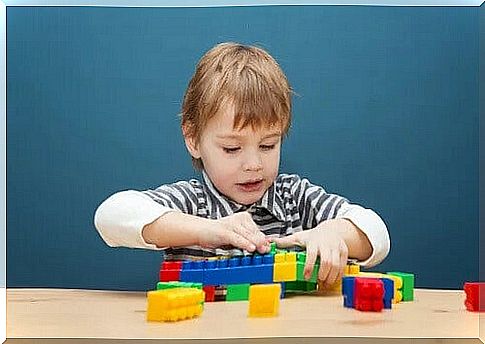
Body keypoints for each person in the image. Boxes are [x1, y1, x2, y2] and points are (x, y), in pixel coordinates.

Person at [94, 42, 390, 289]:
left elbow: (377, 234)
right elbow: (110, 216)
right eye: (232, 148)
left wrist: (333, 234)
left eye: (268, 145)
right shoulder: (191, 203)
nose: (253, 164)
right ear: (193, 139)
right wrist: (206, 230)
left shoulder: (295, 198)